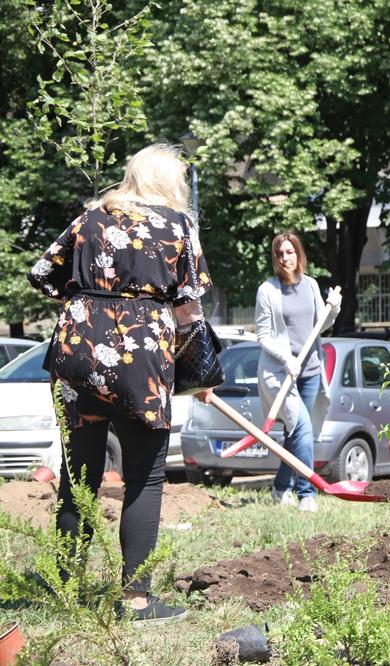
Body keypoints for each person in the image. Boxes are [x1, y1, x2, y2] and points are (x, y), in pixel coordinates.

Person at [27, 143, 207, 626]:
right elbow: (189, 309)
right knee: (144, 477)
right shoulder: (176, 226)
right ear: (171, 183)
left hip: (78, 352)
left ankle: (66, 592)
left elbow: (42, 274)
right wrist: (198, 369)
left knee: (78, 476)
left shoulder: (90, 218)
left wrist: (89, 297)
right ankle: (136, 601)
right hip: (142, 357)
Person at [255, 232, 340, 512]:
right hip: (281, 373)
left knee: (296, 433)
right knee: (301, 426)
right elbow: (264, 336)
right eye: (280, 254)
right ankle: (307, 493)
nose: (285, 258)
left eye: (290, 252)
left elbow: (321, 325)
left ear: (298, 254)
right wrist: (285, 356)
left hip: (311, 370)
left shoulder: (311, 285)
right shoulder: (267, 290)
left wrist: (334, 308)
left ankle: (281, 487)